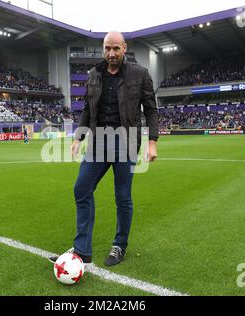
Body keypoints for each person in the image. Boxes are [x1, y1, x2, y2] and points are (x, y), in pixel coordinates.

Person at [49, 31, 159, 267]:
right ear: (103, 49)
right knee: (82, 189)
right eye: (107, 48)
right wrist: (79, 137)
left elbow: (151, 109)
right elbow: (88, 109)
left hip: (126, 141)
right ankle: (82, 251)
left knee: (122, 197)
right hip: (98, 142)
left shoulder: (140, 74)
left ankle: (120, 245)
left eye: (116, 49)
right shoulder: (94, 74)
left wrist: (152, 142)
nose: (111, 53)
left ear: (124, 48)